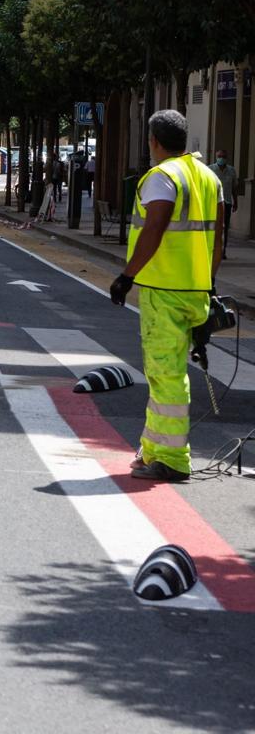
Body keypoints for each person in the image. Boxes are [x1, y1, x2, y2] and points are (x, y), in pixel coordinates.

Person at [110, 110, 224, 483]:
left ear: (153, 142)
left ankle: (173, 459)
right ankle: (153, 449)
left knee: (166, 375)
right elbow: (217, 241)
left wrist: (128, 276)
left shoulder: (161, 177)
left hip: (165, 290)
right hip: (196, 290)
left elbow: (155, 227)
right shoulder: (209, 178)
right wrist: (209, 284)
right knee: (166, 375)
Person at [209, 150, 237, 259]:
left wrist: (236, 202)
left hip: (227, 203)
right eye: (219, 156)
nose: (221, 158)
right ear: (216, 157)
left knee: (224, 227)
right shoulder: (210, 169)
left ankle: (222, 250)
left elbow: (234, 187)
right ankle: (212, 249)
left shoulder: (231, 171)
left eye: (223, 156)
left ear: (227, 158)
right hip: (213, 203)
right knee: (214, 227)